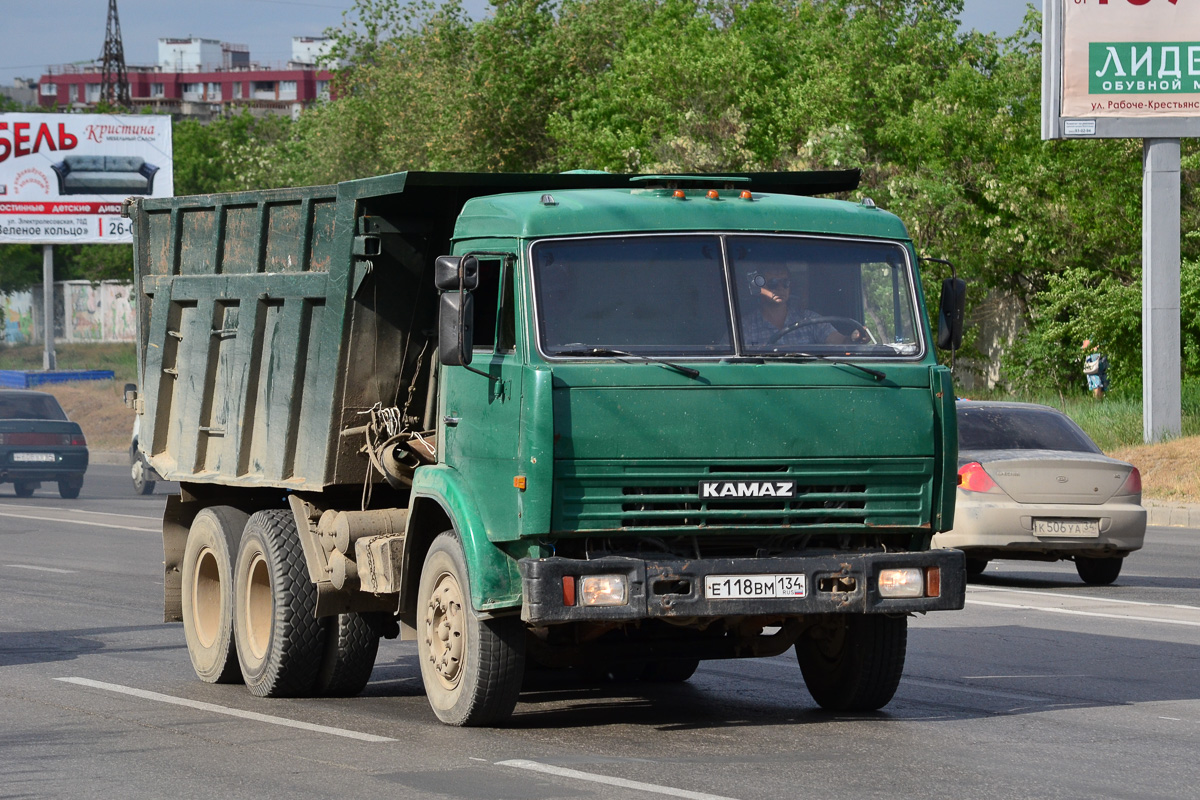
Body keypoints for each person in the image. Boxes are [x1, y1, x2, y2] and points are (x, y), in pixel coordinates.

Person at [741, 266, 859, 348]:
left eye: (785, 282)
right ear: (758, 287)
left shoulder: (809, 319)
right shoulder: (745, 327)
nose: (781, 288)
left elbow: (839, 341)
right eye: (773, 283)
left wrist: (854, 338)